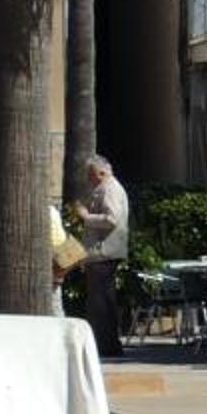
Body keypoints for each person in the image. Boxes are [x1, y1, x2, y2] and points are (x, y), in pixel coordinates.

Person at [74, 153, 132, 359]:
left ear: (101, 172)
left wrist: (86, 217)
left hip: (104, 252)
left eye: (90, 174)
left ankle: (107, 345)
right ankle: (106, 344)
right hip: (102, 253)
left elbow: (112, 219)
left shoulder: (109, 189)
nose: (88, 178)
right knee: (102, 301)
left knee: (101, 303)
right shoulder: (106, 188)